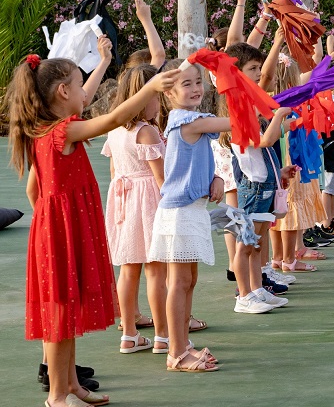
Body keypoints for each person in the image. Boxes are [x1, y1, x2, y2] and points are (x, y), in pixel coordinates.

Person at [9, 55, 176, 407]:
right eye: (80, 83)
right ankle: (56, 395)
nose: (86, 93)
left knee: (66, 310)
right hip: (60, 232)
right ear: (63, 90)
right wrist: (149, 86)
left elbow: (33, 192)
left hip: (58, 229)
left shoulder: (43, 132)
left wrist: (52, 220)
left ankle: (70, 384)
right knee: (58, 313)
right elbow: (115, 118)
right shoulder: (62, 131)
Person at [150, 60, 230, 373]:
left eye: (198, 82)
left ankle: (183, 344)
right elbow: (233, 123)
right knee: (179, 282)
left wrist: (217, 177)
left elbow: (205, 158)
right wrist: (264, 104)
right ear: (168, 93)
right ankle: (176, 352)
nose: (196, 88)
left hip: (193, 209)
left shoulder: (192, 121)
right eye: (186, 84)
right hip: (179, 212)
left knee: (188, 281)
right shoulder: (187, 120)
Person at [225, 42, 295, 315]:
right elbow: (265, 140)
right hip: (253, 188)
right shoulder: (239, 105)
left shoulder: (250, 103)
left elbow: (263, 148)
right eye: (252, 68)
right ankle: (244, 296)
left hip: (264, 183)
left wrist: (280, 173)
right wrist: (279, 114)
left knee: (256, 244)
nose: (259, 73)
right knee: (245, 246)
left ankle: (256, 290)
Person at [102, 65, 167, 355]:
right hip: (149, 201)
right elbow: (161, 179)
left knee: (128, 270)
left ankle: (128, 334)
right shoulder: (146, 132)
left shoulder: (114, 130)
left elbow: (115, 170)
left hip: (123, 200)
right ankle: (163, 336)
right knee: (156, 271)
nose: (160, 103)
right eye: (156, 97)